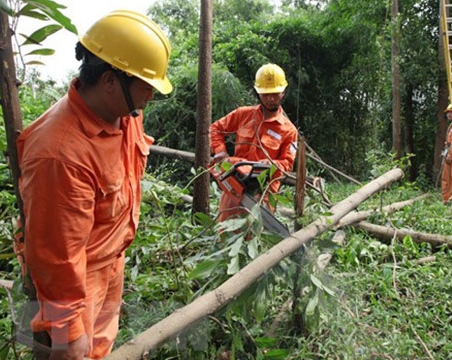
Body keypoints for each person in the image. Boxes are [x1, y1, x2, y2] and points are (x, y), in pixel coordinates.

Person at [15, 10, 172, 359]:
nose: (150, 96)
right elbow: (56, 257)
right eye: (146, 86)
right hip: (76, 282)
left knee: (102, 348)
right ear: (110, 81)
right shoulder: (59, 154)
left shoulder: (124, 111)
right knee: (77, 352)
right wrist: (69, 332)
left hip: (111, 259)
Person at [210, 63, 298, 222]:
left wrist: (269, 166)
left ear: (283, 93)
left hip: (264, 192)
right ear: (258, 93)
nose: (271, 99)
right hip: (235, 185)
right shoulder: (243, 115)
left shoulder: (289, 130)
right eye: (266, 94)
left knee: (257, 236)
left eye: (275, 94)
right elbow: (215, 128)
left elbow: (287, 164)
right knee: (225, 232)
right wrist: (220, 151)